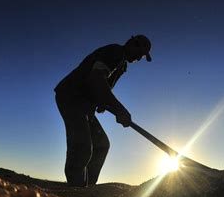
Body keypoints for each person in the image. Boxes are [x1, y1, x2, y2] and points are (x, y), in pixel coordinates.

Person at [54, 35, 152, 187]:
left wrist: (102, 104)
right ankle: (76, 190)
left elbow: (102, 89)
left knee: (101, 145)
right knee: (82, 146)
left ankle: (87, 188)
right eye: (140, 53)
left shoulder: (122, 65)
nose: (139, 58)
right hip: (71, 97)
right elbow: (96, 80)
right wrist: (121, 110)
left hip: (86, 105)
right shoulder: (115, 52)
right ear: (133, 43)